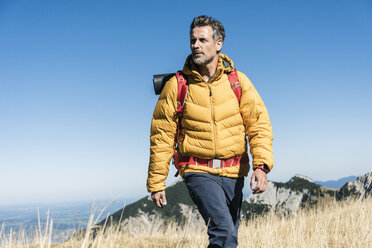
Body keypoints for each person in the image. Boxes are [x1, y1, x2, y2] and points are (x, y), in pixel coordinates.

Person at [147, 15, 273, 248]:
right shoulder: (177, 85)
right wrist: (157, 182)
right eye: (193, 40)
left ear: (218, 44)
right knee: (224, 233)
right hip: (197, 170)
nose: (196, 45)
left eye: (202, 40)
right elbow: (161, 135)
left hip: (234, 172)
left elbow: (258, 124)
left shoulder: (238, 81)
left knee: (228, 237)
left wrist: (261, 165)